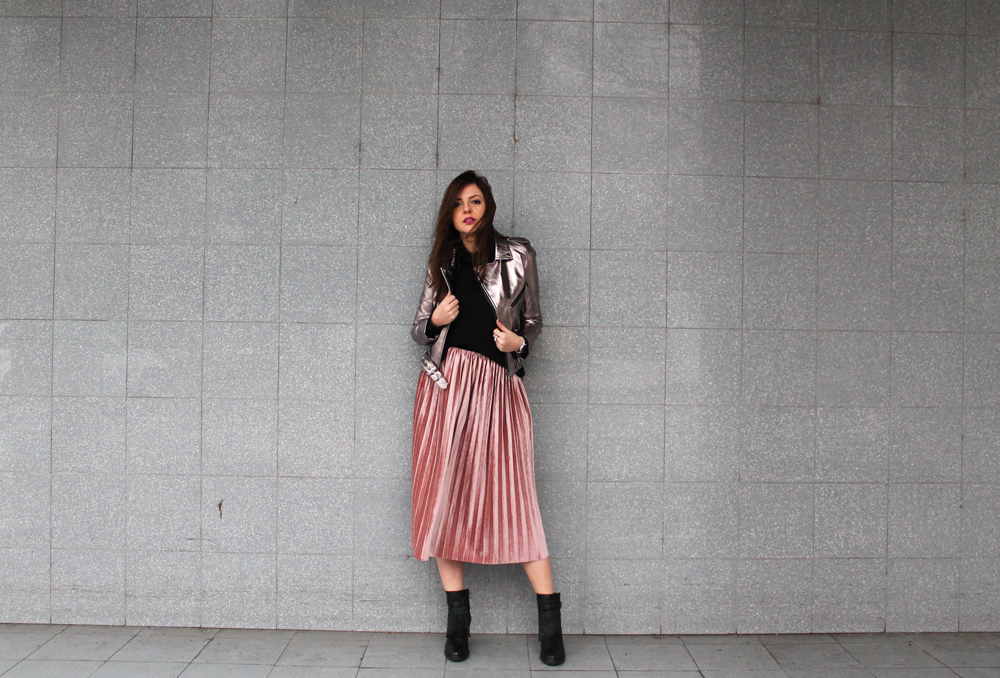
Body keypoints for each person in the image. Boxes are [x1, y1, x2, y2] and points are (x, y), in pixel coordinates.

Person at [409, 170, 565, 666]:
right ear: (450, 214)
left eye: (475, 201)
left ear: (488, 206)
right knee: (444, 498)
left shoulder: (518, 255)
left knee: (516, 499)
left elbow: (534, 321)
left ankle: (551, 625)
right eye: (458, 204)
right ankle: (458, 625)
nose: (467, 211)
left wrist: (519, 343)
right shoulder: (442, 260)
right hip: (445, 389)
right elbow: (418, 328)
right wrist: (434, 321)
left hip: (497, 388)